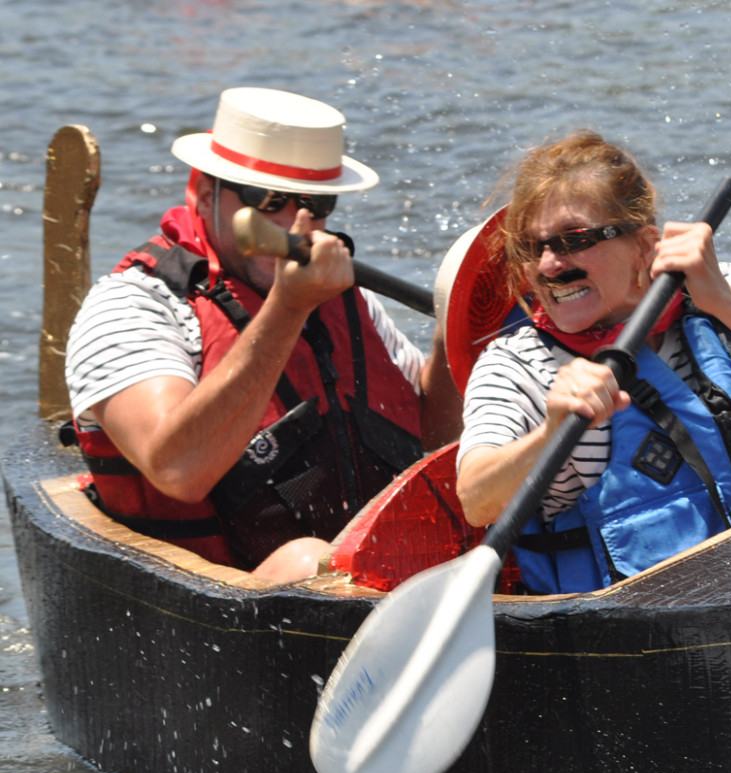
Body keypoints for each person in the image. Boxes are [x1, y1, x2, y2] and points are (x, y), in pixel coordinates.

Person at [65, 87, 462, 583]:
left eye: (316, 204)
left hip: (370, 580)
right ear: (207, 195)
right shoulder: (132, 305)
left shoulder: (346, 299)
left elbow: (434, 438)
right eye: (270, 201)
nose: (297, 223)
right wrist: (288, 308)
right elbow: (179, 469)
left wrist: (459, 333)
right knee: (312, 561)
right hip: (227, 598)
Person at [456, 131, 731, 594]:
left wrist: (727, 302)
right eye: (531, 248)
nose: (548, 266)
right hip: (642, 630)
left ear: (644, 245)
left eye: (573, 240)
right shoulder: (516, 363)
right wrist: (551, 431)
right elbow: (476, 500)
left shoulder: (722, 292)